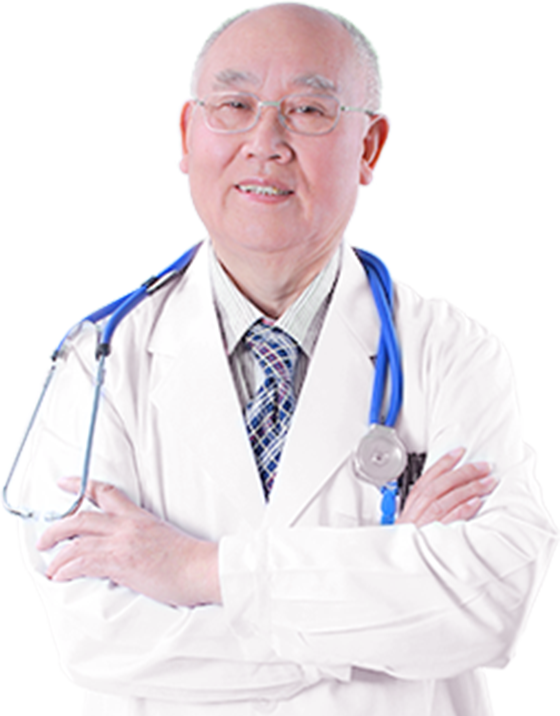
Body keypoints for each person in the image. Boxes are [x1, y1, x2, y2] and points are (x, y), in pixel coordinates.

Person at [19, 4, 557, 715]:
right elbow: (97, 640)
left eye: (308, 110)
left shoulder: (450, 356)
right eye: (235, 106)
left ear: (370, 148)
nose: (265, 143)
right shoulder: (100, 365)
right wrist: (381, 607)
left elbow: (488, 603)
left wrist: (197, 570)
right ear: (186, 136)